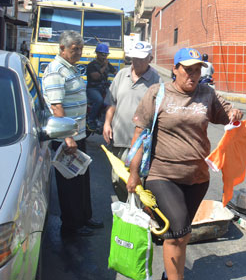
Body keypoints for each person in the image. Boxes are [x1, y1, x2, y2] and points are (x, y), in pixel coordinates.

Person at [127, 48, 243, 280]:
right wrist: (133, 173)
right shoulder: (157, 93)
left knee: (181, 233)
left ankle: (171, 274)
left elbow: (227, 113)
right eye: (187, 70)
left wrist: (234, 114)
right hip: (163, 174)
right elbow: (139, 134)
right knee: (178, 229)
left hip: (197, 178)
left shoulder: (206, 94)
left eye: (197, 70)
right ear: (175, 69)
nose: (192, 75)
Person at [42, 30, 103, 237]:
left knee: (82, 179)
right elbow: (56, 106)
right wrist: (67, 137)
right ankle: (72, 226)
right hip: (65, 139)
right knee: (70, 184)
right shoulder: (56, 70)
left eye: (80, 49)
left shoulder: (72, 68)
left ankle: (84, 217)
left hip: (78, 135)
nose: (78, 53)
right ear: (62, 49)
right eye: (74, 49)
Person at [103, 41, 161, 202]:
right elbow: (112, 102)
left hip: (141, 143)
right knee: (117, 179)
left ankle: (138, 218)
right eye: (135, 58)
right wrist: (107, 123)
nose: (137, 62)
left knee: (136, 184)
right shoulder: (122, 74)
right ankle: (125, 212)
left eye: (142, 59)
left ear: (150, 58)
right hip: (119, 138)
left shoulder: (157, 80)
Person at [86, 43, 116, 131]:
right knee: (99, 100)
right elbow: (96, 76)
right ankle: (90, 120)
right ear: (97, 54)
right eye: (103, 54)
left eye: (106, 54)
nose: (104, 57)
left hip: (104, 87)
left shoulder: (107, 64)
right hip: (93, 88)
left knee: (114, 100)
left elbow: (115, 73)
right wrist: (105, 66)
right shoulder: (91, 65)